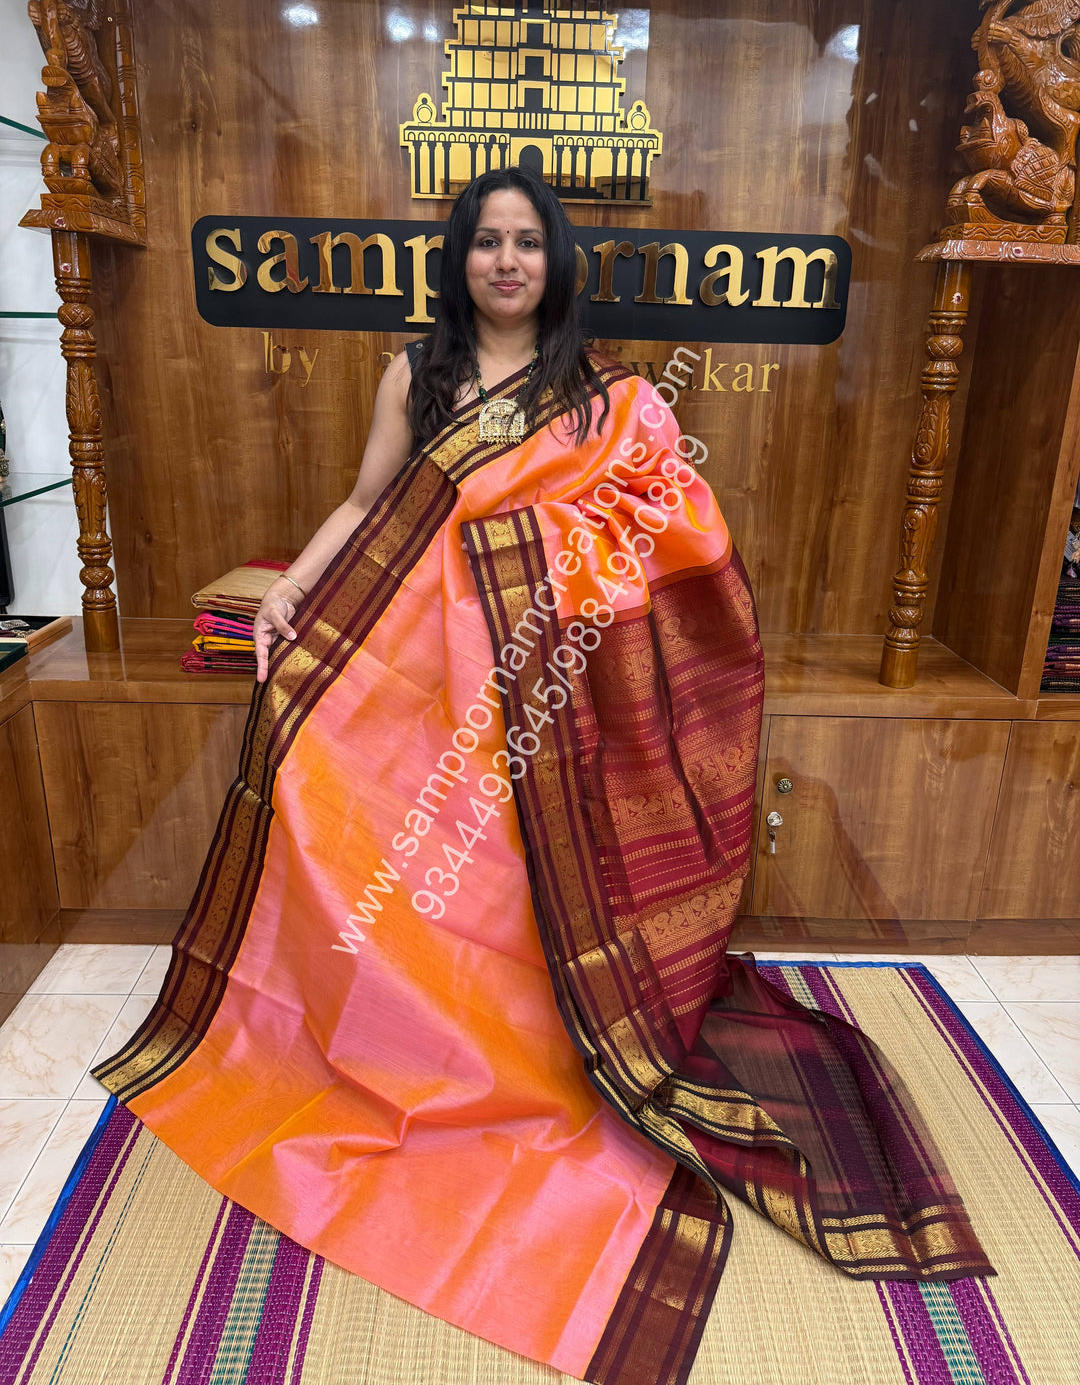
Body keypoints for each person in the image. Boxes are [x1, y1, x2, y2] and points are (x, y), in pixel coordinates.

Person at [95, 169, 991, 1385]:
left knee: (506, 895)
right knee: (373, 845)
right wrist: (296, 588)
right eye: (485, 243)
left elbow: (671, 531)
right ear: (458, 259)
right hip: (416, 680)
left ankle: (523, 1057)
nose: (506, 261)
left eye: (526, 243)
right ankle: (399, 1047)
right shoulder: (418, 376)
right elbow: (369, 501)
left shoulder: (605, 394)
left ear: (555, 261)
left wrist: (545, 554)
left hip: (540, 696)